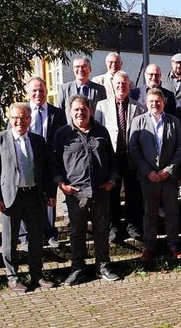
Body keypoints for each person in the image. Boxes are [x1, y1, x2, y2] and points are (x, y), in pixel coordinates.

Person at [53, 95, 120, 286]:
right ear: (70, 112)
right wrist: (61, 184)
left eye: (83, 109)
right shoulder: (63, 134)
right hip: (75, 193)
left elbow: (112, 158)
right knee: (77, 232)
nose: (80, 112)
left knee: (101, 229)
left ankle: (103, 267)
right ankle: (78, 269)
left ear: (90, 110)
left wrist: (112, 180)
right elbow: (55, 163)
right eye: (76, 109)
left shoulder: (101, 131)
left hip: (100, 190)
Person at [0, 103, 56, 293]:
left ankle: (36, 275)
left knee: (36, 238)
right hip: (10, 198)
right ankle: (12, 278)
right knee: (10, 240)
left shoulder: (38, 141)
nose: (19, 121)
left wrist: (51, 193)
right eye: (15, 117)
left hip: (34, 195)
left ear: (29, 119)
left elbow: (46, 170)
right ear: (9, 119)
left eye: (23, 117)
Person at [129, 88, 181, 260]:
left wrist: (169, 170)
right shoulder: (138, 121)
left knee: (172, 212)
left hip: (169, 177)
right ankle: (149, 246)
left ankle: (173, 245)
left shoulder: (174, 122)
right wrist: (148, 171)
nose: (155, 104)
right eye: (151, 101)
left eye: (158, 101)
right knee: (149, 213)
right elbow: (133, 148)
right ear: (147, 102)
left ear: (163, 102)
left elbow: (180, 147)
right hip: (148, 177)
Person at [94, 71, 146, 241]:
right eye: (118, 84)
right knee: (112, 194)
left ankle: (133, 226)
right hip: (111, 157)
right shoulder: (102, 106)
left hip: (131, 156)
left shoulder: (138, 107)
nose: (121, 86)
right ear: (113, 86)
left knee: (133, 193)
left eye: (124, 83)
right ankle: (113, 227)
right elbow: (98, 132)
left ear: (129, 86)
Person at [23, 77, 66, 249]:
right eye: (34, 90)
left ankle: (49, 234)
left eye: (41, 90)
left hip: (50, 163)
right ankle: (27, 236)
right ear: (28, 93)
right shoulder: (22, 112)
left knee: (50, 199)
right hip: (28, 163)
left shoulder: (58, 113)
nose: (38, 93)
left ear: (46, 91)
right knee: (27, 199)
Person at [57, 56, 106, 122]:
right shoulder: (64, 89)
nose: (80, 69)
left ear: (90, 69)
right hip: (70, 130)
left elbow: (104, 113)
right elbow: (59, 114)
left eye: (84, 66)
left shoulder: (100, 90)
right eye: (77, 66)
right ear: (73, 69)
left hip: (93, 130)